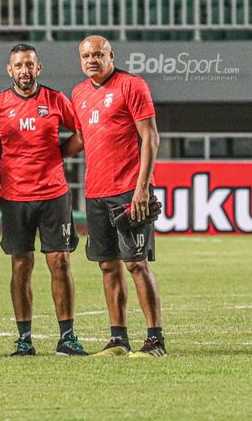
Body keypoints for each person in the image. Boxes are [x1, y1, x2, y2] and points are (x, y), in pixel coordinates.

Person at [0, 44, 87, 357]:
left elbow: (81, 132)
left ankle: (67, 336)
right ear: (9, 70)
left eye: (29, 65)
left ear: (38, 68)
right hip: (15, 197)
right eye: (18, 65)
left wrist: (58, 154)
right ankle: (24, 338)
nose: (24, 71)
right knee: (21, 266)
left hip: (53, 195)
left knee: (60, 263)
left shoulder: (55, 99)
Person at [62, 35, 166, 357]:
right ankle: (118, 339)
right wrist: (48, 154)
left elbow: (150, 137)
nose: (91, 60)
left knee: (136, 264)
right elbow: (80, 137)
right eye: (85, 56)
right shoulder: (78, 93)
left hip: (128, 190)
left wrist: (142, 188)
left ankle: (155, 340)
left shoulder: (132, 85)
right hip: (96, 191)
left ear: (111, 55)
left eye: (98, 54)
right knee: (108, 266)